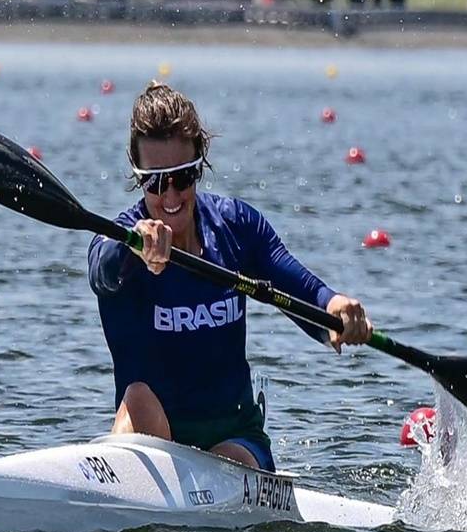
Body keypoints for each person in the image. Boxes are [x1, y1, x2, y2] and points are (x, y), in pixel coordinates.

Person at [87, 82, 371, 472]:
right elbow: (101, 274)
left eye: (182, 177)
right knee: (137, 396)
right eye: (155, 181)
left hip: (233, 440)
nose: (170, 196)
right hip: (152, 429)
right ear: (138, 177)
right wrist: (132, 248)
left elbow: (299, 286)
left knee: (230, 461)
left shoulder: (236, 228)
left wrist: (335, 310)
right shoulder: (119, 241)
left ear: (199, 166)